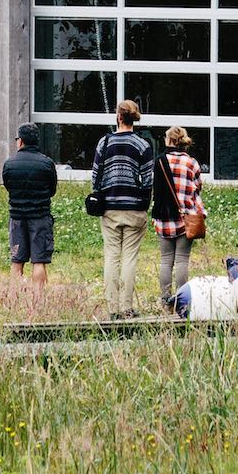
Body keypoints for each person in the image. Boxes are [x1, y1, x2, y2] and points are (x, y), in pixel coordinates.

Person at [90, 100, 155, 318]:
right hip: (135, 208)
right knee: (129, 258)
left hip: (109, 207)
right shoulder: (143, 145)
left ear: (118, 117)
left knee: (111, 256)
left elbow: (95, 175)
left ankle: (112, 308)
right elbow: (147, 179)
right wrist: (144, 204)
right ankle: (127, 308)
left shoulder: (104, 142)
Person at [150, 126, 205, 310]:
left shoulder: (158, 162)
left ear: (169, 140)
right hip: (186, 218)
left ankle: (165, 301)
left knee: (166, 261)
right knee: (182, 260)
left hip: (164, 218)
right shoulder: (191, 163)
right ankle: (182, 303)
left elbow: (155, 190)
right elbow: (197, 188)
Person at [1, 122, 58, 289]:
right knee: (39, 261)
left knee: (17, 260)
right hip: (40, 217)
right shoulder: (46, 163)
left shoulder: (9, 163)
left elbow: (8, 186)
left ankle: (14, 297)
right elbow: (52, 190)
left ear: (20, 141)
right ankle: (38, 299)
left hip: (17, 218)